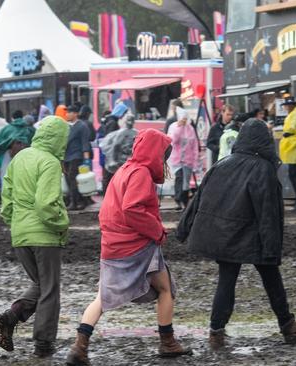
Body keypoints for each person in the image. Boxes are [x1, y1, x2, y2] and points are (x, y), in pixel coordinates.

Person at [177, 119, 296, 350]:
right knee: (271, 278)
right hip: (252, 236)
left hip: (224, 236)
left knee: (227, 281)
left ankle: (216, 334)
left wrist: (183, 230)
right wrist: (272, 248)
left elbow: (197, 200)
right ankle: (289, 327)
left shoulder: (221, 164)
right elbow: (268, 213)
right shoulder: (263, 169)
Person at [66, 129, 191, 365]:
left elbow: (109, 210)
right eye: (163, 154)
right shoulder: (141, 174)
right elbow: (132, 210)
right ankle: (168, 343)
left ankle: (79, 347)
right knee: (166, 289)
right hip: (139, 246)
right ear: (155, 153)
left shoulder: (123, 170)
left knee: (102, 298)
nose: (164, 161)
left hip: (113, 247)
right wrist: (157, 231)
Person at [0, 116, 70, 358]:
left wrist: (16, 222)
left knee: (40, 284)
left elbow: (7, 198)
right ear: (60, 140)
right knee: (50, 290)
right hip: (45, 236)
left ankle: (11, 316)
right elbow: (46, 204)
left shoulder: (21, 157)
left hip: (20, 234)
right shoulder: (50, 162)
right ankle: (44, 344)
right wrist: (63, 223)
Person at [168, 107, 199, 210]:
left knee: (186, 182)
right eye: (183, 118)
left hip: (188, 160)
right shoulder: (173, 127)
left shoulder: (190, 129)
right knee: (179, 178)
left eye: (186, 118)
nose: (184, 120)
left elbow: (194, 145)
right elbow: (172, 141)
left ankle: (184, 202)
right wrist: (178, 128)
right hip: (177, 160)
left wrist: (195, 161)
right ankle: (178, 200)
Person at [64, 104, 92, 211]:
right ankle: (78, 201)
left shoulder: (82, 126)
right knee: (68, 179)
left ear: (75, 114)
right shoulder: (66, 126)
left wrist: (86, 160)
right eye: (67, 112)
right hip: (66, 157)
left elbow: (85, 143)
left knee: (73, 178)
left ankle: (74, 202)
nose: (67, 114)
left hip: (77, 156)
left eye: (69, 112)